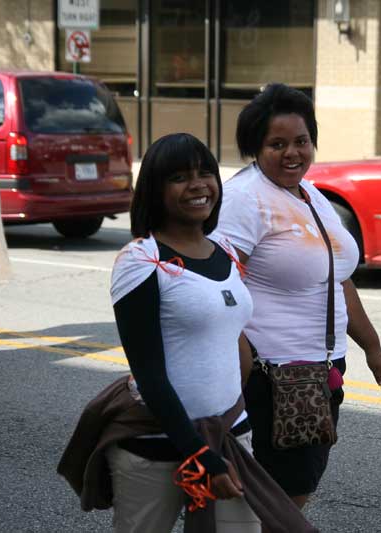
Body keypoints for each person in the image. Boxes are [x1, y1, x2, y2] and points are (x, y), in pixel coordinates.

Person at [88, 132, 315, 532]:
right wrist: (201, 456)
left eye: (205, 173)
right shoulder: (142, 261)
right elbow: (150, 375)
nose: (197, 185)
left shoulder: (224, 250)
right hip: (157, 443)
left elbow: (234, 338)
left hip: (228, 434)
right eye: (179, 177)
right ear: (155, 190)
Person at [215, 83, 381, 512]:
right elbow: (218, 283)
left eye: (301, 141)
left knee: (291, 490)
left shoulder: (309, 194)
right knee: (280, 495)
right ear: (254, 147)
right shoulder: (245, 199)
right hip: (275, 374)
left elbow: (337, 277)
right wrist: (240, 365)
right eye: (276, 144)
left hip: (320, 369)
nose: (292, 153)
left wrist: (372, 347)